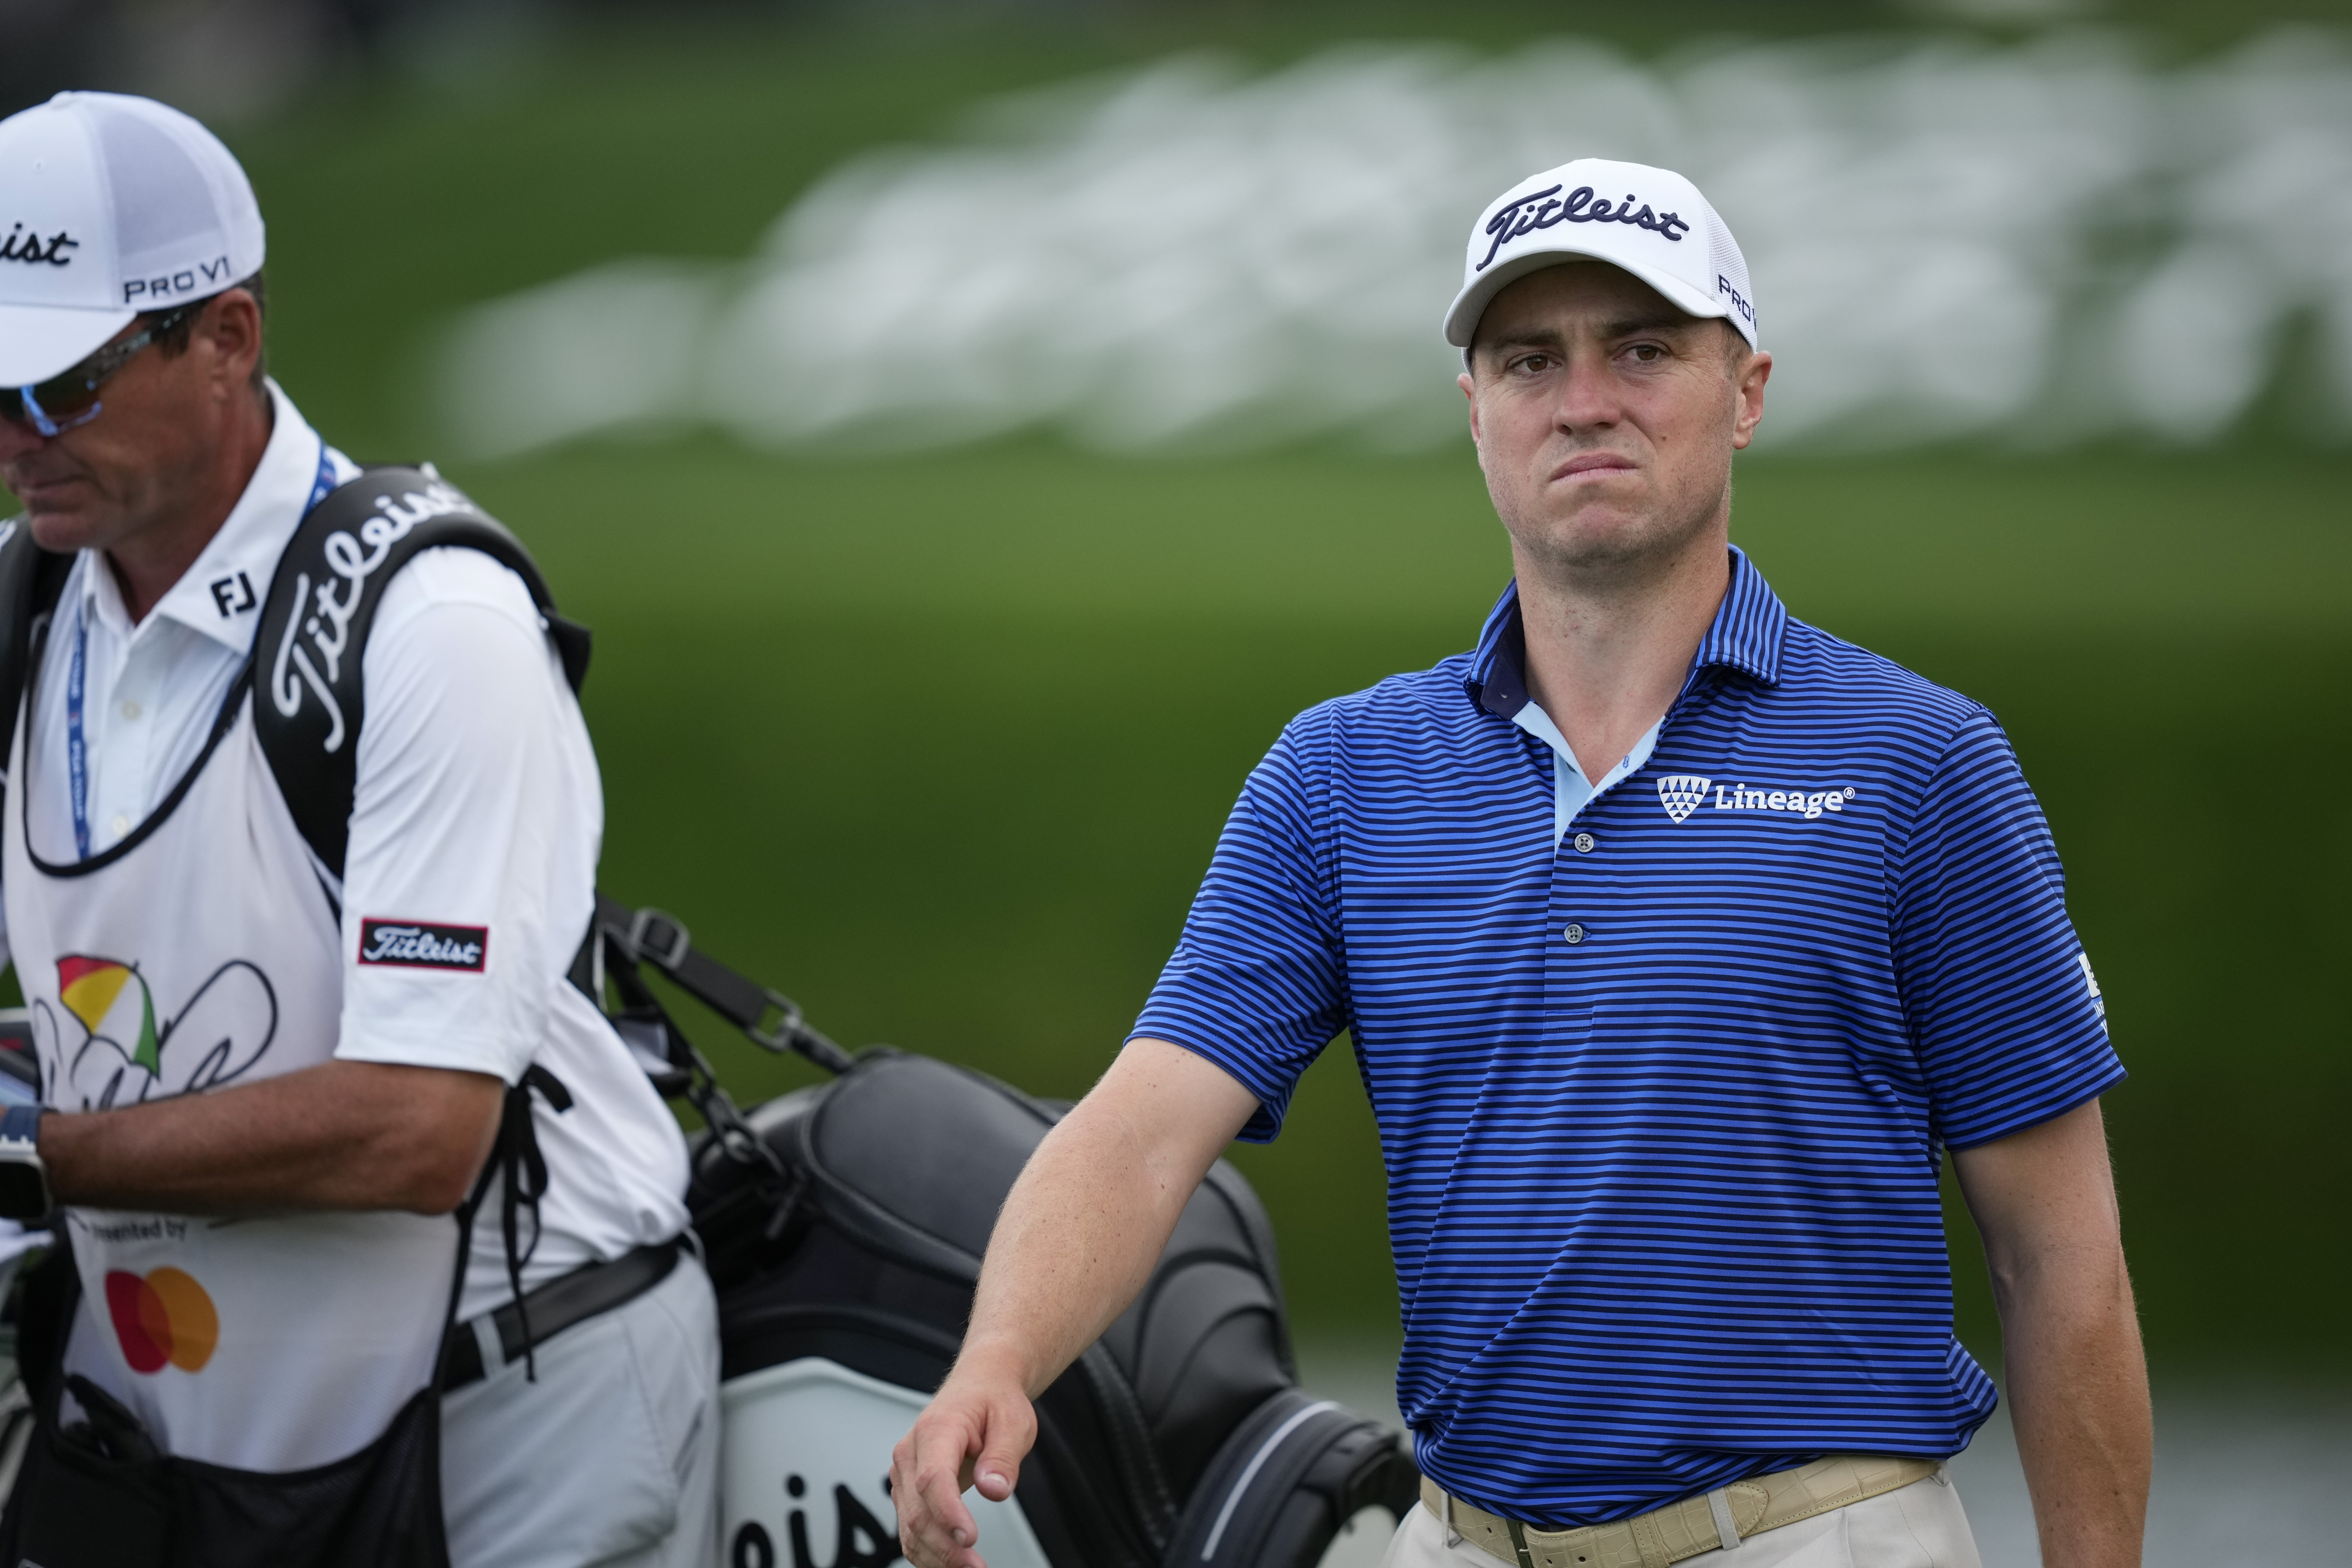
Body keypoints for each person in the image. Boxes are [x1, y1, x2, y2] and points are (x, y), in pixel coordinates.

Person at [891, 157, 2151, 1568]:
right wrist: (995, 1356)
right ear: (1475, 410)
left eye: (1644, 349)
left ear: (1745, 391)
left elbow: (2059, 1257)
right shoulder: (1340, 773)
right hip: (1465, 1539)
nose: (1583, 399)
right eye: (1527, 359)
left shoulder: (1919, 761)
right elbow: (1137, 1131)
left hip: (1815, 1534)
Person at [0, 91, 718, 1566]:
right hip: (195, 1436)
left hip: (517, 1410)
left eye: (58, 382)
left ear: (226, 339)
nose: (16, 435)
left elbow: (416, 1123)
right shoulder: (25, 599)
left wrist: (39, 1152)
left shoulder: (433, 621)